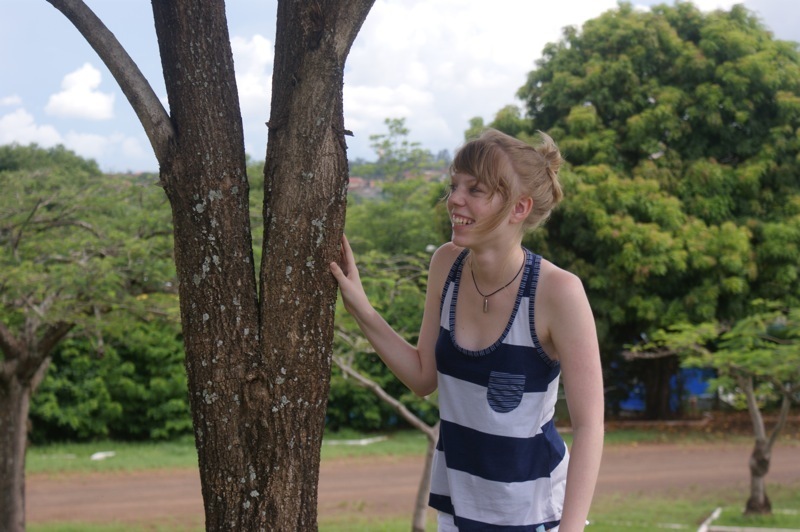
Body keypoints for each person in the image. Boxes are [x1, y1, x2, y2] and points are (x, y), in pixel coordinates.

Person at [330, 128, 604, 531]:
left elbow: (589, 425)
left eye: (475, 190)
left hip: (535, 515)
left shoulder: (559, 292)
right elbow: (423, 376)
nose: (454, 199)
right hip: (458, 512)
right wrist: (361, 308)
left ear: (519, 208)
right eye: (454, 185)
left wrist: (571, 529)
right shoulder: (447, 265)